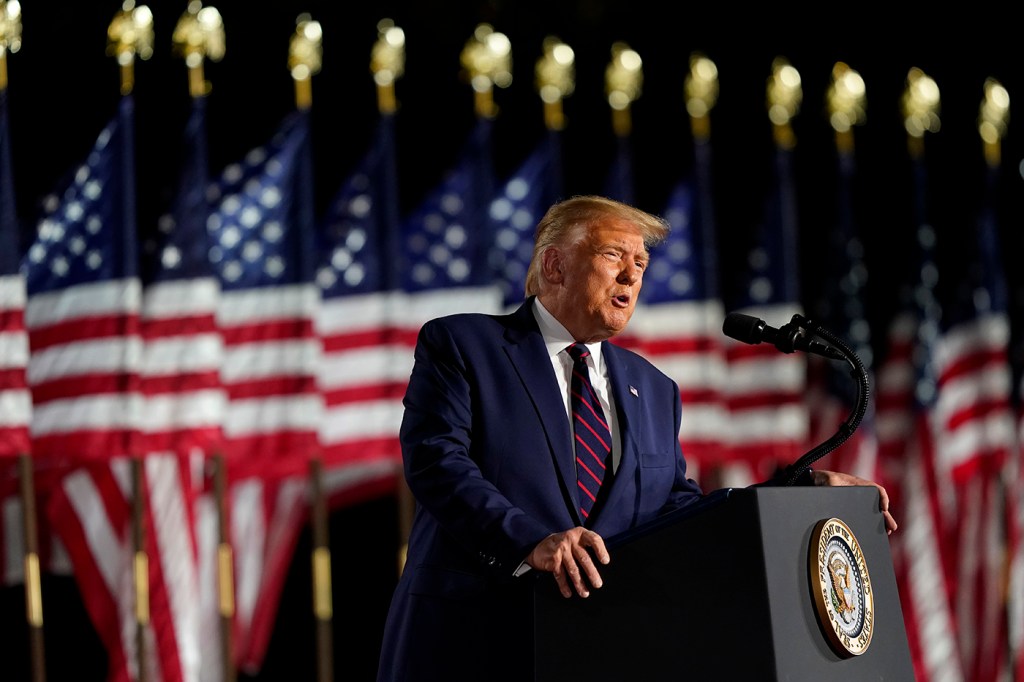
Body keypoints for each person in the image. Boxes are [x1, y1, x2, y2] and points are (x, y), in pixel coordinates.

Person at [376, 195, 897, 681]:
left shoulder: (653, 388)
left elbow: (680, 514)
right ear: (554, 265)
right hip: (472, 641)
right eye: (613, 255)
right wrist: (529, 540)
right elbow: (436, 462)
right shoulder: (465, 345)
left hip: (599, 651)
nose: (631, 274)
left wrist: (795, 496)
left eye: (641, 263)